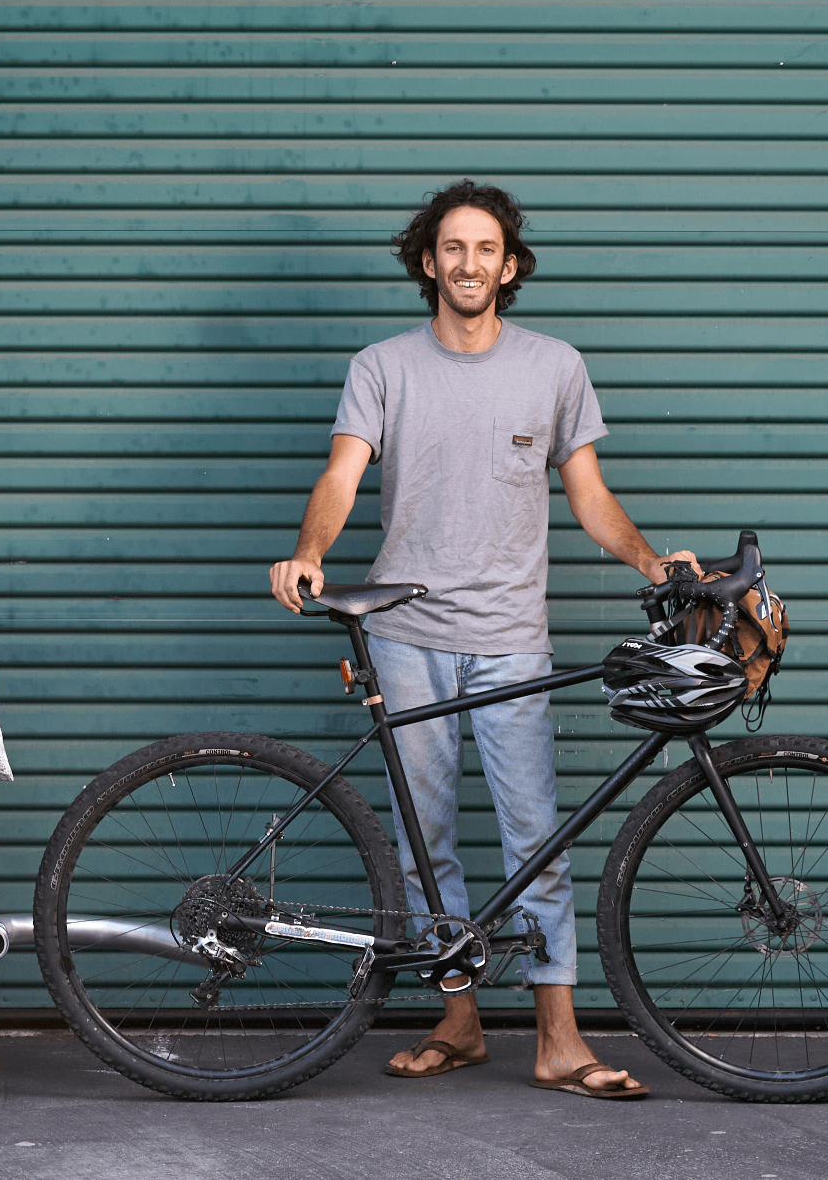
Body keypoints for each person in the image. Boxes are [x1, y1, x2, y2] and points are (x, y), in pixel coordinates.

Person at [268, 179, 697, 1098]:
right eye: (451, 248)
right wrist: (308, 550)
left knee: (533, 835)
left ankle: (557, 1038)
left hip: (510, 634)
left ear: (509, 267)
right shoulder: (383, 366)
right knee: (424, 837)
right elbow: (341, 474)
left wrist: (652, 563)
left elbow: (587, 495)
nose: (468, 263)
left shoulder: (552, 367)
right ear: (428, 262)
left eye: (486, 250)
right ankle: (458, 1021)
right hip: (405, 632)